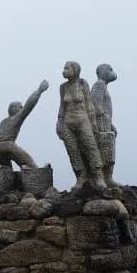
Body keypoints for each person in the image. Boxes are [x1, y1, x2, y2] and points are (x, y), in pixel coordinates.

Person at [56, 61, 107, 191]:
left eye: (67, 68)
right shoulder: (63, 87)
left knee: (91, 147)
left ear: (75, 70)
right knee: (72, 150)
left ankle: (98, 177)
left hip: (83, 120)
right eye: (64, 68)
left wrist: (93, 123)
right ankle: (81, 177)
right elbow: (62, 106)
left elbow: (89, 104)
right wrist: (59, 123)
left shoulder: (83, 84)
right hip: (68, 122)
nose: (64, 70)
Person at [0, 80, 49, 169]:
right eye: (20, 106)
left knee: (6, 171)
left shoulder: (3, 122)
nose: (22, 108)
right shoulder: (15, 118)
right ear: (13, 109)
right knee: (25, 159)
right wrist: (39, 91)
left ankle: (1, 168)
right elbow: (28, 105)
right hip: (7, 146)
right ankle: (35, 169)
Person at [91, 63, 120, 187]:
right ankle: (105, 177)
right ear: (103, 72)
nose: (112, 72)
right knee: (105, 149)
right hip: (101, 123)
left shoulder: (103, 86)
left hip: (106, 122)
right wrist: (103, 119)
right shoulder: (99, 85)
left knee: (109, 149)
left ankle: (108, 177)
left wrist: (111, 124)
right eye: (110, 69)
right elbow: (95, 103)